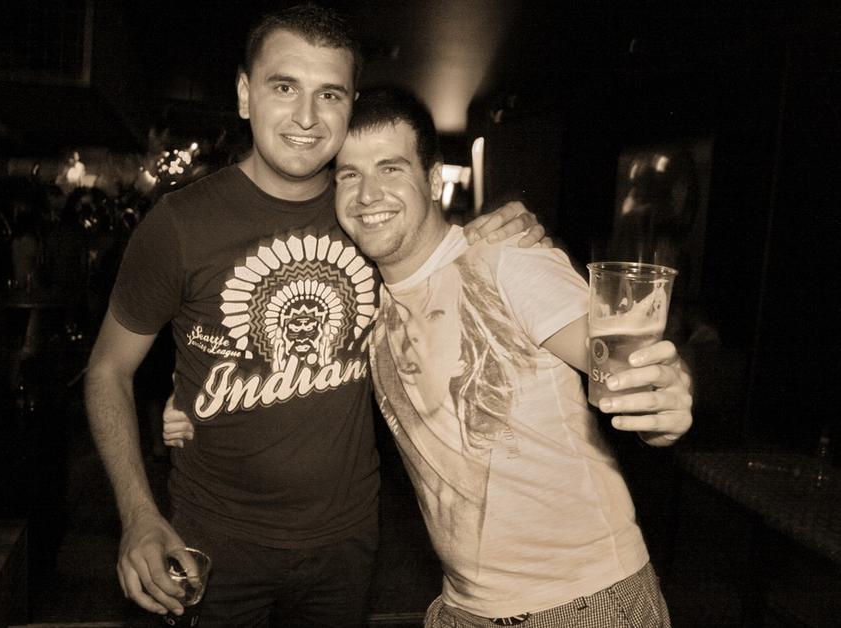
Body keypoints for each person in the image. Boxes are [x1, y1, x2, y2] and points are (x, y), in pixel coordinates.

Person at [84, 5, 543, 627]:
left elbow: (447, 256)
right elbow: (108, 369)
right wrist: (138, 515)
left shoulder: (371, 214)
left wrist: (503, 230)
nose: (306, 117)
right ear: (244, 94)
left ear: (350, 106)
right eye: (284, 87)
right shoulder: (178, 226)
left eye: (330, 94)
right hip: (213, 541)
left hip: (346, 544)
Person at [168, 87, 692, 626]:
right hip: (464, 607)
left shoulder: (507, 259)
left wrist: (665, 398)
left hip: (582, 600)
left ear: (434, 180)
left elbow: (619, 363)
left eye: (390, 169)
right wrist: (187, 398)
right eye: (350, 175)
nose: (369, 194)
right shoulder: (365, 304)